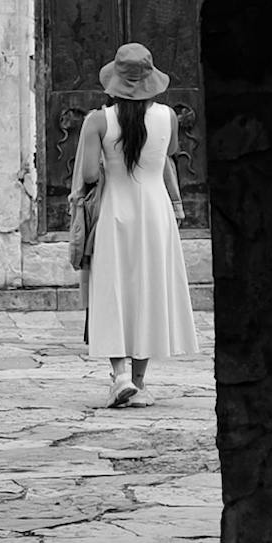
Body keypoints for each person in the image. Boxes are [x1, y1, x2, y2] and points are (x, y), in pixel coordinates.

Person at [68, 42, 201, 407]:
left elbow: (92, 173)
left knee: (112, 290)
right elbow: (166, 162)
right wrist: (176, 203)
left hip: (115, 212)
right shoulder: (168, 118)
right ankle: (139, 381)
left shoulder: (97, 121)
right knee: (149, 290)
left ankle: (120, 375)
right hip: (155, 211)